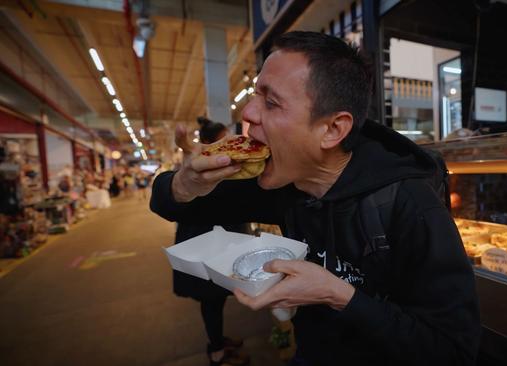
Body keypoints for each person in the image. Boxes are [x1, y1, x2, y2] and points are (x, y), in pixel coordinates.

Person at [151, 31, 480, 366]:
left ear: (333, 130)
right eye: (254, 96)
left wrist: (337, 294)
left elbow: (453, 351)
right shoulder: (283, 180)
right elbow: (166, 203)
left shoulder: (410, 206)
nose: (248, 114)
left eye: (271, 102)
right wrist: (186, 182)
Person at [172, 118, 249, 366]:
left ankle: (219, 339)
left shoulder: (229, 163)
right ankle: (216, 351)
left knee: (216, 298)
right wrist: (186, 147)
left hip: (217, 242)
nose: (229, 144)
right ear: (206, 145)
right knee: (210, 298)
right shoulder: (196, 163)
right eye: (222, 139)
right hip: (203, 244)